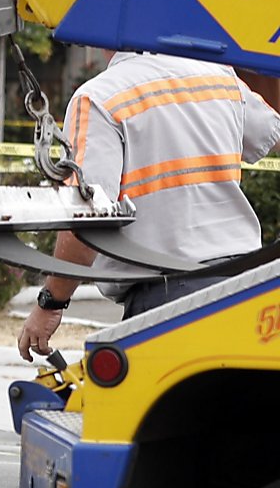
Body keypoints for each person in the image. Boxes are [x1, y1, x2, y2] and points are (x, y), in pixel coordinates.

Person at [19, 50, 280, 358]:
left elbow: (87, 220)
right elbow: (270, 131)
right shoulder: (221, 78)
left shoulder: (100, 97)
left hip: (167, 300)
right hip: (244, 288)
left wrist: (52, 302)